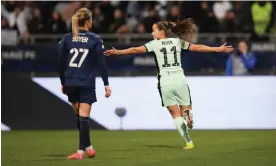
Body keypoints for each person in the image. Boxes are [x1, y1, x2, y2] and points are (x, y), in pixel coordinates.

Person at [104, 18, 233, 150]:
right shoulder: (177, 42)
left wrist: (118, 52)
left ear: (161, 32)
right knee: (185, 109)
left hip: (165, 81)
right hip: (179, 79)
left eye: (154, 30)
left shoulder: (154, 44)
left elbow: (134, 50)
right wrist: (218, 49)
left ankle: (188, 142)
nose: (152, 33)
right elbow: (198, 47)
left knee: (175, 115)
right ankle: (188, 115)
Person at [58, 8, 111, 160]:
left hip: (71, 81)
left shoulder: (67, 38)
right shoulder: (95, 39)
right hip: (87, 82)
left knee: (79, 116)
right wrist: (106, 83)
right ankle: (85, 148)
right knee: (84, 117)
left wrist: (63, 82)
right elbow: (101, 64)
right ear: (88, 21)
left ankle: (84, 149)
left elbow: (61, 63)